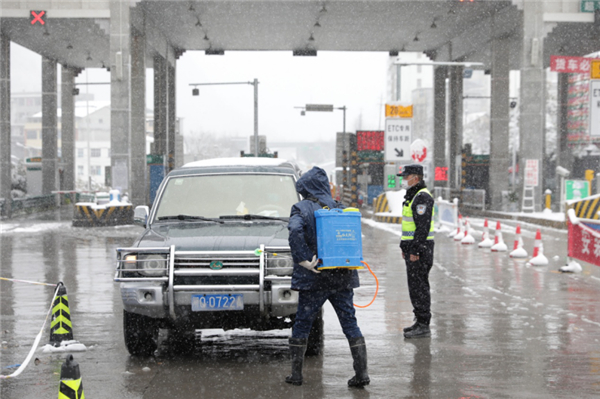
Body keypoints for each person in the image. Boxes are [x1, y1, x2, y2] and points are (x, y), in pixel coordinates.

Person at [285, 166, 370, 388]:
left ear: (304, 188)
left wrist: (304, 258)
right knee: (350, 323)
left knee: (303, 323)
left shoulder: (301, 208)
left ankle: (296, 375)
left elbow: (294, 231)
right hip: (341, 277)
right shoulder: (341, 208)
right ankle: (361, 374)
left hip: (314, 279)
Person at [398, 164, 435, 339]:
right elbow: (408, 227)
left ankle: (423, 324)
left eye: (407, 177)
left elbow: (422, 227)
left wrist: (416, 250)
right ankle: (419, 321)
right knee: (415, 287)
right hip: (413, 249)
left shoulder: (422, 197)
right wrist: (404, 247)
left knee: (419, 287)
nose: (404, 180)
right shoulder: (413, 195)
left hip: (421, 249)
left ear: (416, 177)